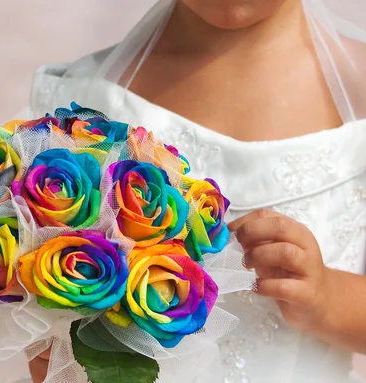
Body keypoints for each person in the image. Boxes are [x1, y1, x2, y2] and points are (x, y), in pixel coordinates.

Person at [25, 0, 366, 382]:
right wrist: (56, 354)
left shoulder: (360, 91)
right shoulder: (84, 103)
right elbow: (38, 309)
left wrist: (328, 297)